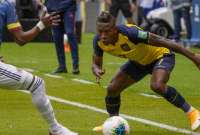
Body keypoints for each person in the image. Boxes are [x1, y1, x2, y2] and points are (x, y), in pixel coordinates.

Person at [92, 11, 200, 132]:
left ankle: (192, 113)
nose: (103, 35)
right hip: (138, 62)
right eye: (100, 31)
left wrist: (193, 56)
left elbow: (164, 41)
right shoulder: (98, 41)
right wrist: (96, 69)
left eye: (107, 31)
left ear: (115, 28)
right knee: (112, 89)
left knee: (157, 85)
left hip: (161, 56)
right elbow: (96, 63)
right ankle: (113, 124)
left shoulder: (131, 33)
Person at [0, 0, 78, 135]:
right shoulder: (5, 5)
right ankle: (56, 129)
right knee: (37, 84)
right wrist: (42, 24)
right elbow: (21, 39)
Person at [41, 0, 80, 74]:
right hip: (53, 8)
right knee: (57, 36)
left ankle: (75, 66)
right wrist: (45, 8)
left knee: (70, 33)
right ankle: (62, 66)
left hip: (68, 6)